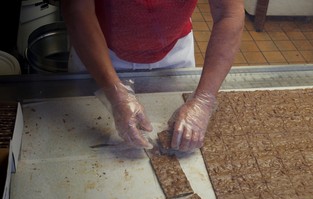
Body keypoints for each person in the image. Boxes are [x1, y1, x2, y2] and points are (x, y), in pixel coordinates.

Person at [61, 0, 244, 152]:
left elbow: (229, 13)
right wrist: (113, 92)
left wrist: (204, 98)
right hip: (98, 53)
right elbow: (77, 8)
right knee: (85, 147)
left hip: (174, 52)